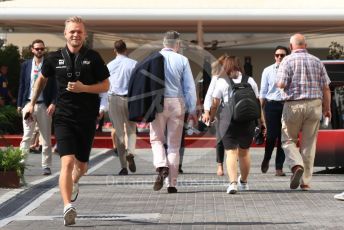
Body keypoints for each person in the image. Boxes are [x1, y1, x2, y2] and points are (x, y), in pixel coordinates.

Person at [24, 16, 110, 226]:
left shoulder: (94, 57)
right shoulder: (54, 58)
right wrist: (32, 102)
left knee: (81, 167)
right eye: (72, 31)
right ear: (65, 34)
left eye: (79, 31)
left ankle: (74, 182)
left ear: (84, 34)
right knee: (67, 162)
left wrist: (84, 88)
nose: (75, 34)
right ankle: (67, 207)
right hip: (63, 117)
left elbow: (106, 85)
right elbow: (41, 79)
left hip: (87, 118)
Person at [276, 33, 331, 191]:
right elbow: (326, 87)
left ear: (291, 46)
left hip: (293, 105)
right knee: (309, 144)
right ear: (305, 45)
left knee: (288, 140)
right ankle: (305, 182)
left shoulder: (286, 60)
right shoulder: (317, 61)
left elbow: (280, 83)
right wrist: (327, 109)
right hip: (314, 105)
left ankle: (296, 165)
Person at [151, 31, 197, 193]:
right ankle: (172, 184)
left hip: (157, 102)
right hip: (177, 102)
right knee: (174, 145)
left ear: (164, 43)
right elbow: (189, 87)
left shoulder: (153, 58)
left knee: (156, 139)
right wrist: (192, 109)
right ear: (177, 44)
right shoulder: (183, 60)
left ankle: (161, 165)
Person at [209, 56, 259, 194]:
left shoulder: (222, 82)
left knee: (231, 152)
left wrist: (212, 117)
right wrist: (260, 122)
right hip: (247, 120)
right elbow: (258, 101)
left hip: (228, 121)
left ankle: (232, 183)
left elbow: (215, 104)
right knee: (244, 152)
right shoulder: (250, 80)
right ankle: (243, 181)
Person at [17, 39, 56, 175]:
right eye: (37, 49)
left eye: (42, 49)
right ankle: (20, 164)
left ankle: (46, 166)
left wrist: (53, 103)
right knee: (27, 136)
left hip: (44, 105)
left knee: (45, 137)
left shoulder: (50, 64)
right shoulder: (26, 65)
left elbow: (56, 86)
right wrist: (20, 104)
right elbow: (22, 84)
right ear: (32, 49)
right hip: (28, 104)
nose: (40, 51)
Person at [107, 40, 137, 175]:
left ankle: (123, 166)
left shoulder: (109, 65)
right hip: (130, 99)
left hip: (114, 98)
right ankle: (130, 152)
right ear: (126, 50)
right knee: (131, 130)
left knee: (119, 133)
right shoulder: (134, 64)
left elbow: (105, 84)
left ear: (115, 50)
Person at [259, 46, 289, 177]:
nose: (279, 58)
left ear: (287, 56)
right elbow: (263, 92)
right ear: (274, 56)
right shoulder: (267, 70)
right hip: (271, 105)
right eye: (277, 55)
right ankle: (266, 158)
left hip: (286, 105)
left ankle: (279, 167)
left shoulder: (291, 69)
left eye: (282, 55)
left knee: (283, 137)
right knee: (271, 136)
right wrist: (259, 112)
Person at [202, 54, 227, 176]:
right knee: (220, 139)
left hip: (235, 111)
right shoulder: (216, 78)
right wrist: (207, 111)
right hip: (220, 112)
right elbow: (209, 95)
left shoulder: (237, 77)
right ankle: (220, 165)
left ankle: (234, 161)